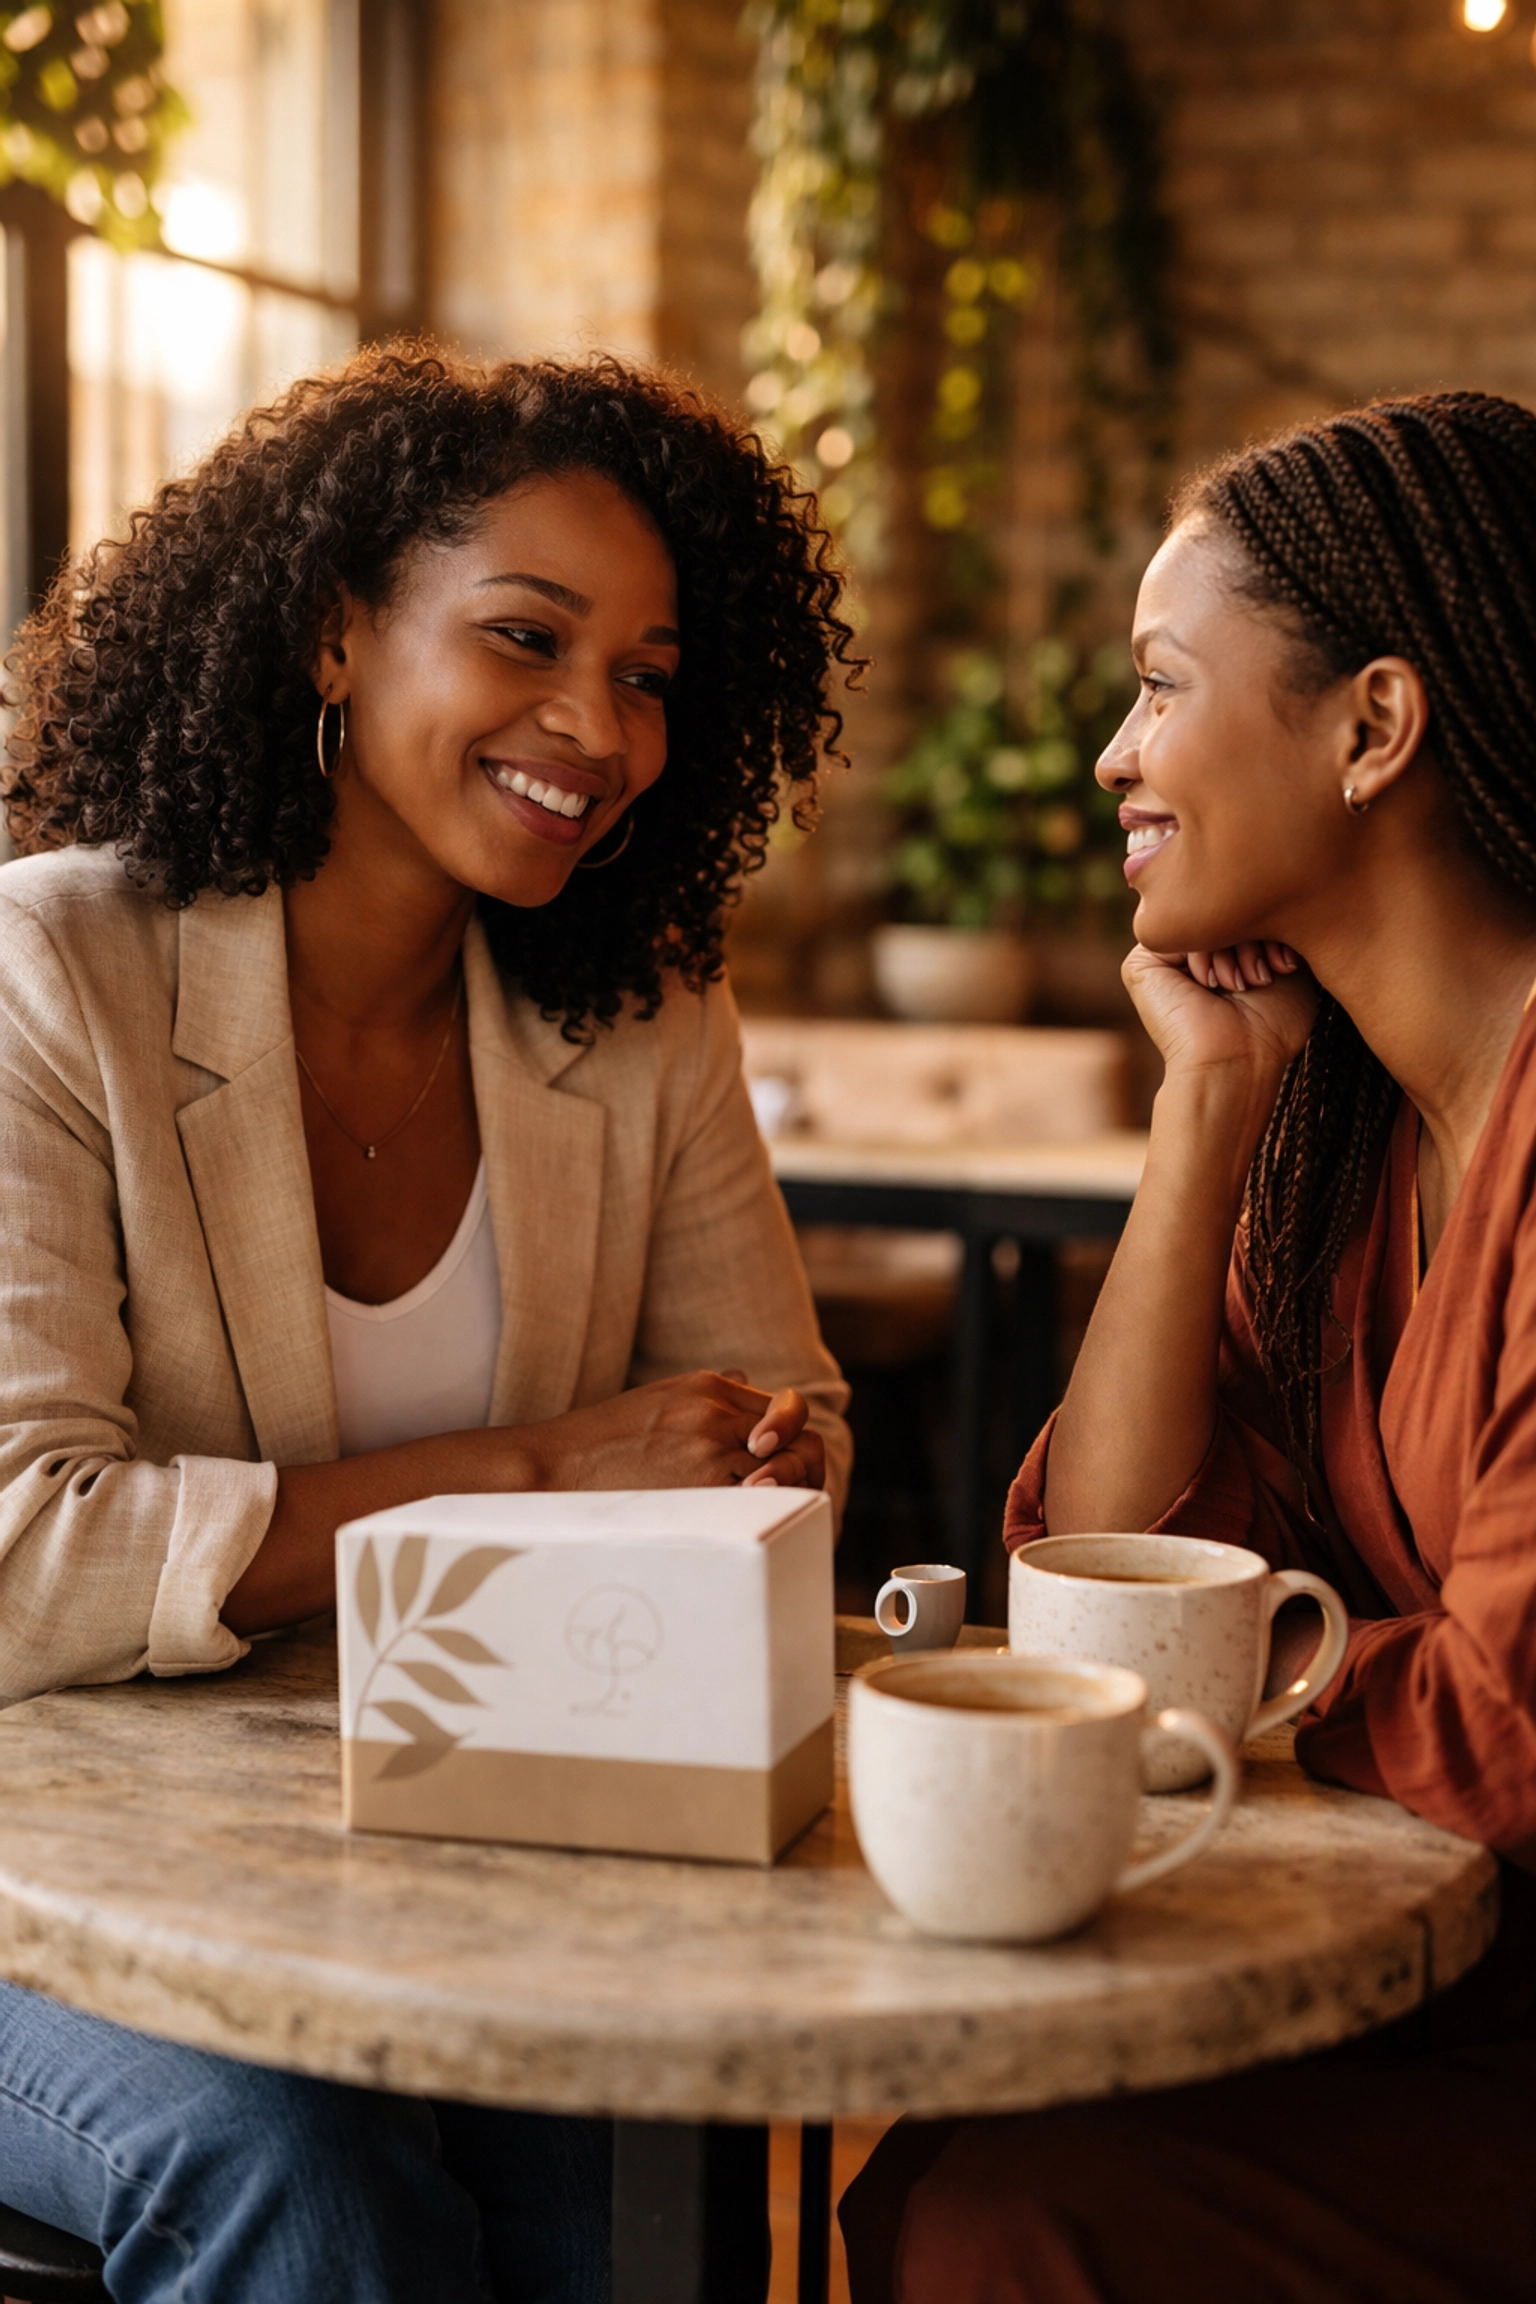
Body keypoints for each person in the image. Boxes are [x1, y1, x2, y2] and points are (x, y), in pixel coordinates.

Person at [0, 345, 854, 2303]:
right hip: (45, 1867)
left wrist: (767, 1455)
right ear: (334, 635)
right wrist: (549, 1467)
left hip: (468, 1836)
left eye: (646, 675)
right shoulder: (56, 971)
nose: (598, 727)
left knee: (650, 2133)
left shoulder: (639, 1018)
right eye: (526, 639)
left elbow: (783, 1408)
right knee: (302, 2167)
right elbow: (25, 1543)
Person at [842, 391, 1536, 2304]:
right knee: (933, 2174)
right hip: (1435, 1960)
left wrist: (1220, 1675)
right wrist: (1210, 1101)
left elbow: (1506, 1733)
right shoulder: (1355, 1143)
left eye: (1158, 687)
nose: (1108, 754)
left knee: (1011, 2220)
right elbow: (1101, 1564)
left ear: (1374, 727)